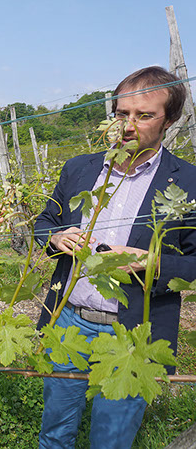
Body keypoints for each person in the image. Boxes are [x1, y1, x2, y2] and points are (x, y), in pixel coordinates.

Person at [34, 66, 196, 448]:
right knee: (54, 432)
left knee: (111, 440)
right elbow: (44, 221)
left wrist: (153, 263)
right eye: (121, 114)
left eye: (144, 115)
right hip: (67, 321)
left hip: (134, 332)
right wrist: (55, 237)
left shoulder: (189, 182)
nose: (128, 125)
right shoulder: (79, 168)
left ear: (169, 120)